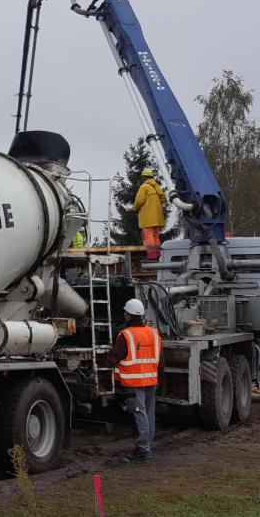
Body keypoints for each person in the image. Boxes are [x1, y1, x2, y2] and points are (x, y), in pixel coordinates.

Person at [110, 298, 162, 462]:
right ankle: (147, 445)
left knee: (140, 414)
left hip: (134, 382)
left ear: (128, 315)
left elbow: (115, 357)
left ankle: (143, 450)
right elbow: (161, 360)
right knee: (148, 414)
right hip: (151, 380)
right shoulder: (154, 333)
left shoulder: (125, 335)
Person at [132, 168, 167, 260]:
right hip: (158, 217)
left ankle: (152, 255)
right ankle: (157, 254)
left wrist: (134, 209)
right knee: (156, 236)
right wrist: (154, 204)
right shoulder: (156, 187)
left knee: (148, 236)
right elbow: (163, 198)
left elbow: (139, 201)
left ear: (143, 177)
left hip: (147, 218)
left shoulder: (144, 187)